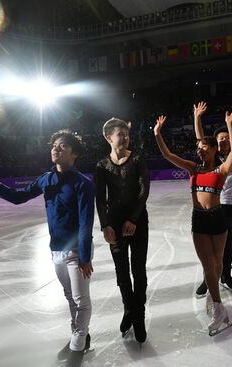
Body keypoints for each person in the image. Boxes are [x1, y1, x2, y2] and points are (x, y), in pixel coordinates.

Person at [0, 129, 95, 357]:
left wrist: (84, 257)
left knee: (81, 301)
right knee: (69, 297)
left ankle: (77, 345)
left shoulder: (83, 183)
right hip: (56, 251)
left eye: (62, 146)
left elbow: (86, 223)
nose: (55, 148)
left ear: (75, 154)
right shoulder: (46, 179)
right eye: (54, 145)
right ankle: (80, 335)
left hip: (76, 252)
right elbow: (19, 197)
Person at [153, 105, 232, 336]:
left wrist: (230, 125)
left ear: (212, 149)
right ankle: (219, 308)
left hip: (218, 218)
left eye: (203, 146)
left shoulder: (221, 170)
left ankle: (214, 298)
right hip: (199, 220)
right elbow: (167, 155)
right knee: (208, 265)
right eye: (198, 146)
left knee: (217, 262)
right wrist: (157, 134)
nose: (199, 149)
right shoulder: (192, 168)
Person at [95, 118, 150, 343]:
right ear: (109, 137)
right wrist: (105, 225)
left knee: (138, 270)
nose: (125, 137)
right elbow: (100, 198)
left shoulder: (137, 159)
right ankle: (129, 308)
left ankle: (139, 315)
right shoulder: (101, 165)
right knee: (121, 271)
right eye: (121, 134)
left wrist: (133, 219)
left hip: (137, 222)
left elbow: (143, 191)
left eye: (127, 133)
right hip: (114, 226)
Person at [193, 102, 232, 296]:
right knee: (209, 248)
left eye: (227, 138)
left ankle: (226, 274)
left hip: (231, 207)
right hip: (215, 206)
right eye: (221, 139)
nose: (224, 140)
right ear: (216, 143)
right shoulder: (211, 159)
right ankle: (207, 278)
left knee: (229, 243)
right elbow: (200, 139)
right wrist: (197, 118)